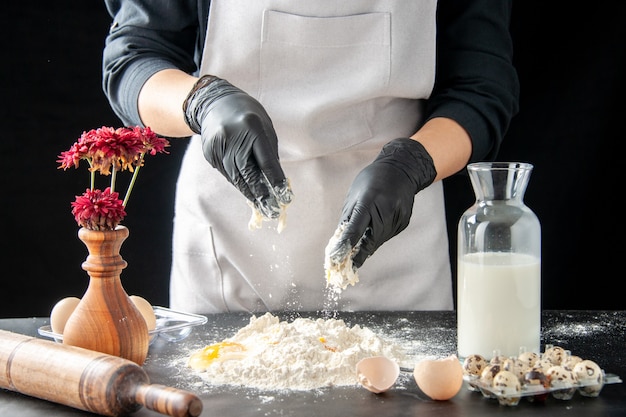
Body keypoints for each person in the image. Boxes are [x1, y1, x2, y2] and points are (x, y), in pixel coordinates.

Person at [102, 0, 519, 314]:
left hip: (395, 231)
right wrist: (203, 103)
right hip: (229, 243)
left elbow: (480, 88)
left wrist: (412, 165)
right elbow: (134, 56)